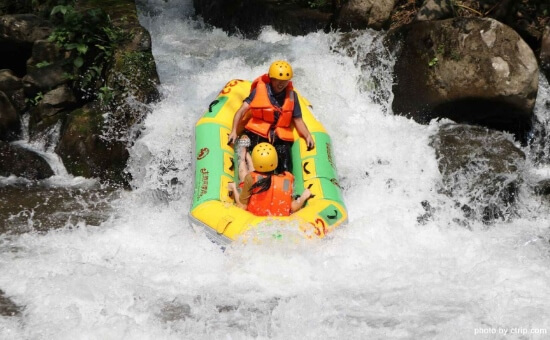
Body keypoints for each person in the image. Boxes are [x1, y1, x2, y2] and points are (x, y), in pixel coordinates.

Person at [227, 60, 315, 173]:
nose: (281, 84)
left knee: (285, 167)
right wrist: (234, 130)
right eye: (278, 80)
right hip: (258, 132)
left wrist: (307, 136)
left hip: (279, 136)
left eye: (284, 81)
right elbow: (241, 111)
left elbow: (298, 120)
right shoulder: (258, 91)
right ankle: (245, 163)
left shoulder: (292, 96)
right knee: (257, 161)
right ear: (271, 79)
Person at [228, 143, 311, 216]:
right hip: (276, 219)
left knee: (246, 179)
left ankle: (244, 157)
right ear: (275, 161)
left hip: (254, 217)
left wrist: (234, 188)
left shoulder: (250, 178)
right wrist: (303, 197)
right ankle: (247, 156)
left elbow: (242, 206)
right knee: (254, 177)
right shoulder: (286, 181)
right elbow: (292, 207)